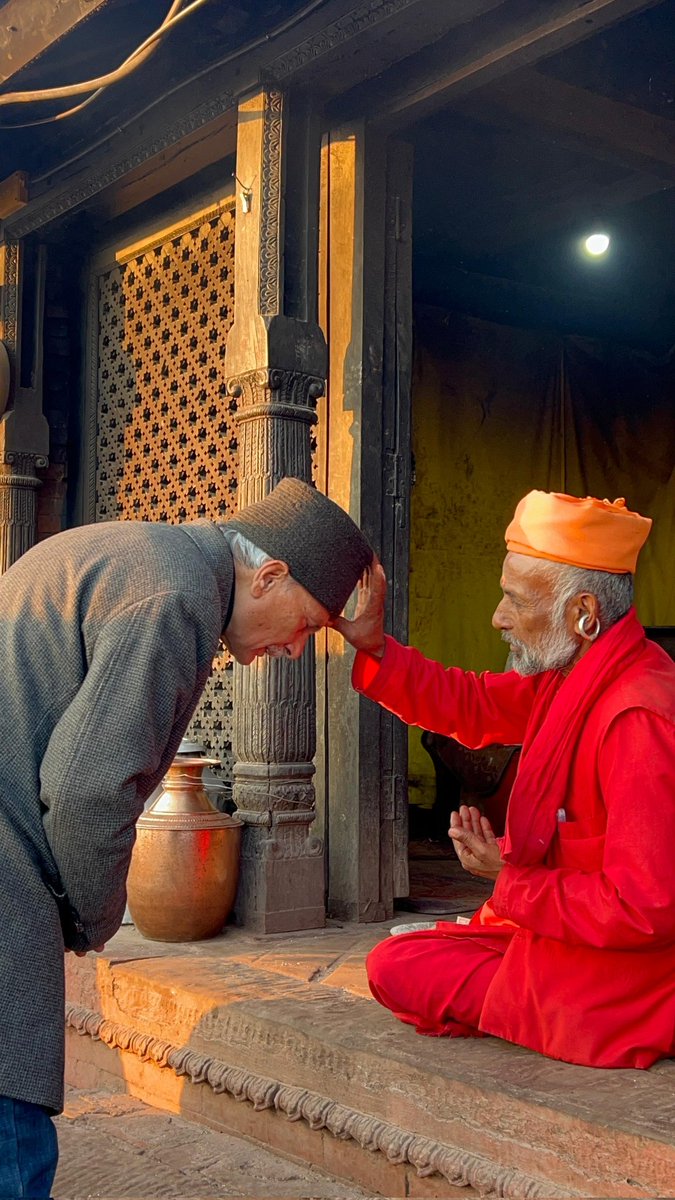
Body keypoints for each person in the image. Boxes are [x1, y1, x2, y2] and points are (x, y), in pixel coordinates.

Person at [0, 476, 372, 1198]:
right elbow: (85, 792)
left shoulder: (137, 552)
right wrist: (94, 919)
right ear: (268, 574)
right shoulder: (174, 596)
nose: (296, 650)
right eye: (309, 624)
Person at [336, 491, 675, 1070]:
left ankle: (563, 1011)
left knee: (397, 968)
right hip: (568, 934)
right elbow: (471, 704)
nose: (498, 616)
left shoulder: (636, 715)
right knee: (401, 955)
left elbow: (644, 910)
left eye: (515, 600)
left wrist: (508, 877)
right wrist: (373, 647)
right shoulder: (571, 673)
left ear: (582, 613)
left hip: (631, 973)